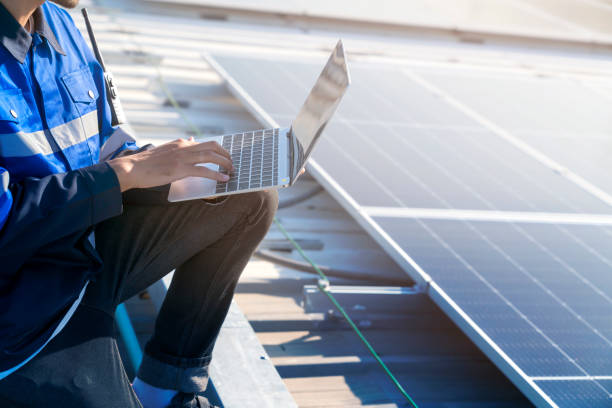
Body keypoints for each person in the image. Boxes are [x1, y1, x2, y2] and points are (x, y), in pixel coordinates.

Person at [0, 0, 278, 407]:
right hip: (21, 309)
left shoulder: (59, 22)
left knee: (245, 196)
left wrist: (169, 167)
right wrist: (124, 175)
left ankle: (165, 390)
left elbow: (106, 143)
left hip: (84, 248)